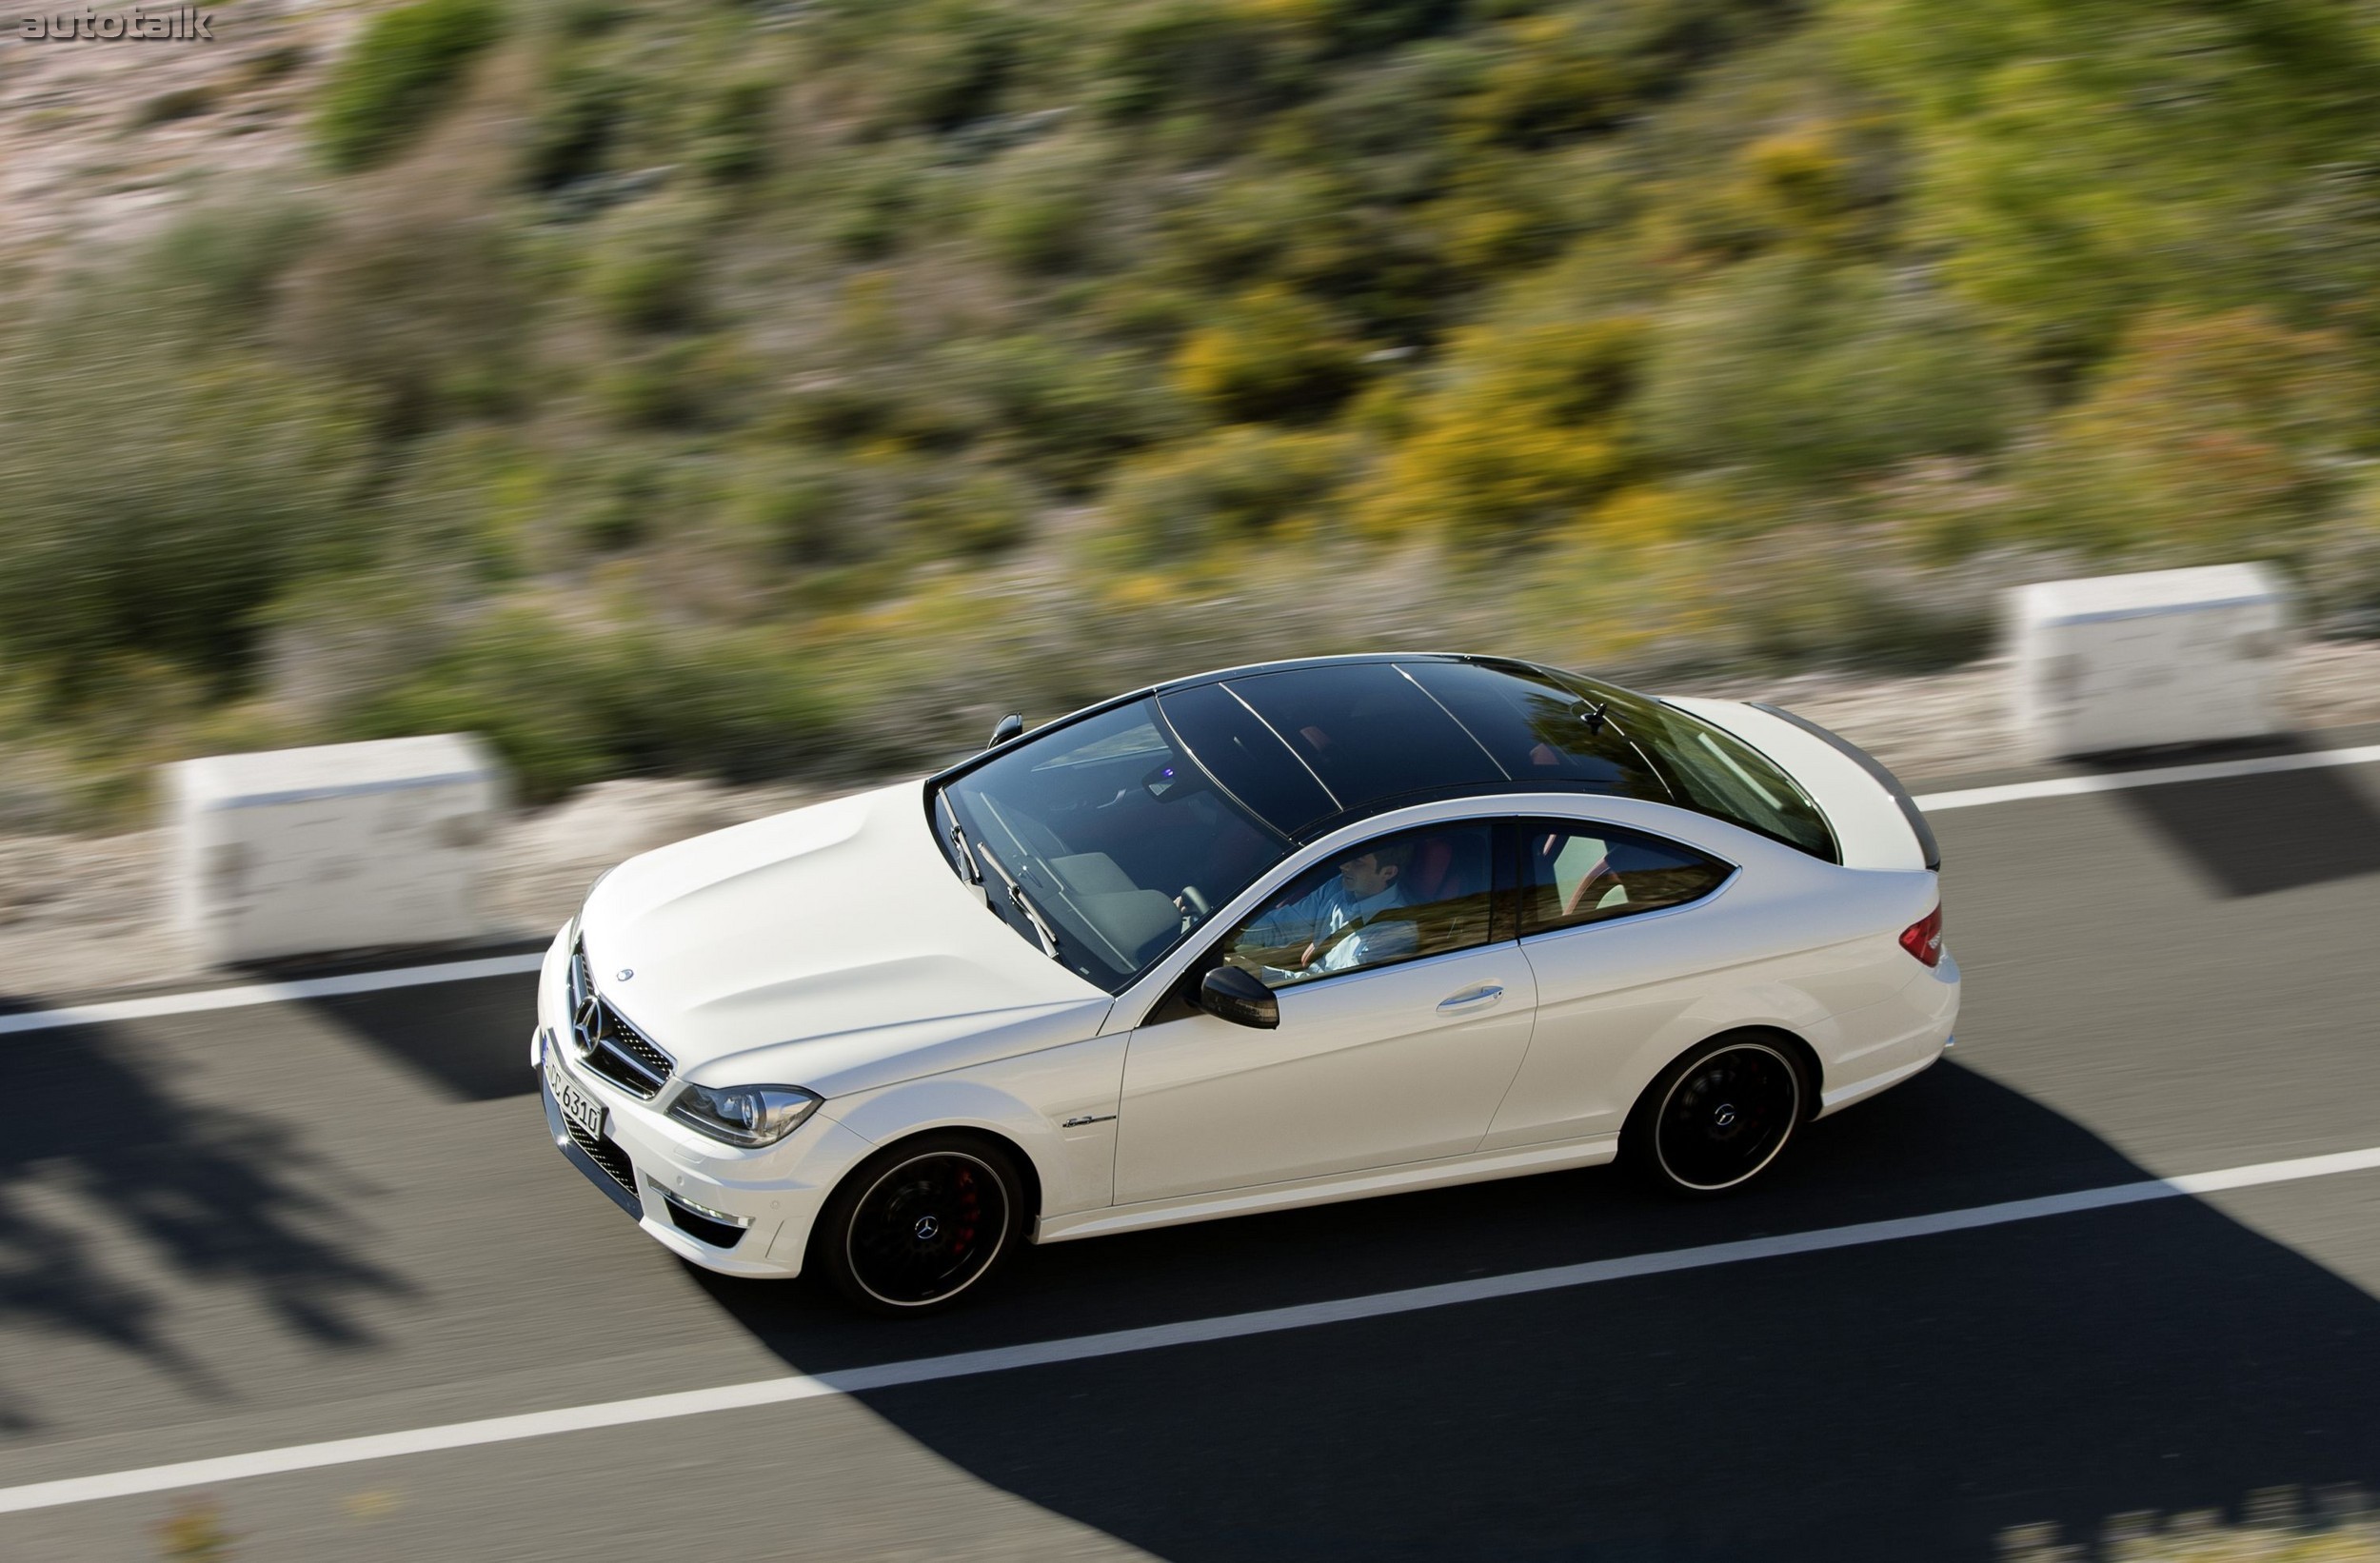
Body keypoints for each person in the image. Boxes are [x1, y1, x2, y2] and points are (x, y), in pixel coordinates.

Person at [1234, 841, 1418, 979]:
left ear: (1388, 872)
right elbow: (1280, 927)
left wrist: (1256, 974)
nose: (1344, 865)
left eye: (1358, 861)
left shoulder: (1394, 931)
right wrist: (1232, 932)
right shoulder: (1339, 886)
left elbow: (1334, 988)